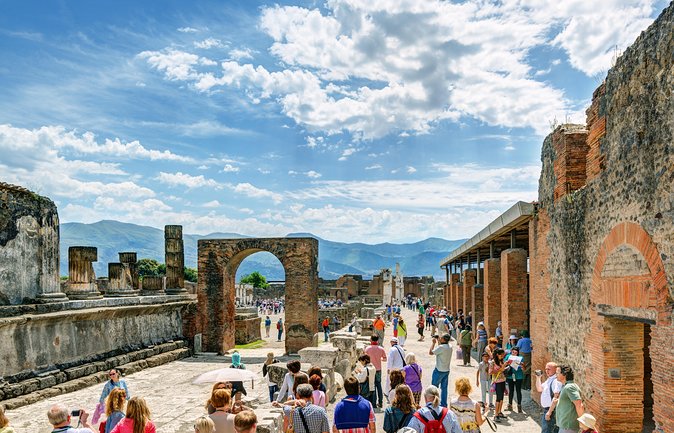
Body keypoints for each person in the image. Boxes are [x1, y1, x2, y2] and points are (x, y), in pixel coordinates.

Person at [553, 365, 584, 433]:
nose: (556, 375)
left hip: (568, 427)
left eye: (557, 373)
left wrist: (583, 423)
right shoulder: (567, 386)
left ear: (564, 374)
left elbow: (579, 405)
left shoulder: (569, 387)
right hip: (566, 426)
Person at [536, 362, 562, 433]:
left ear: (555, 370)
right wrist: (538, 378)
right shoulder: (549, 379)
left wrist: (549, 412)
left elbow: (556, 398)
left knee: (548, 430)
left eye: (549, 369)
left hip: (551, 411)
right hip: (547, 410)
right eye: (546, 369)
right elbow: (539, 389)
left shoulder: (556, 381)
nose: (547, 371)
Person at [428, 333, 452, 407]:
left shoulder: (441, 347)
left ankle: (433, 403)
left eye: (441, 338)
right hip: (446, 370)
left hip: (439, 370)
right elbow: (440, 348)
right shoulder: (450, 346)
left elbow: (431, 352)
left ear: (444, 339)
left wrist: (433, 343)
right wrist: (439, 340)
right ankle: (444, 404)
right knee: (444, 388)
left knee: (433, 387)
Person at [364, 335, 387, 409]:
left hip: (370, 369)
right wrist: (379, 359)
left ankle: (373, 403)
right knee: (378, 385)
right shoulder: (381, 349)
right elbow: (385, 359)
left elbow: (365, 358)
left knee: (372, 385)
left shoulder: (367, 349)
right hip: (378, 369)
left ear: (371, 340)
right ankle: (380, 402)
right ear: (377, 340)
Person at [488, 349, 511, 422]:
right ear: (498, 354)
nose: (503, 356)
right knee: (498, 398)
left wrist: (506, 365)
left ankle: (499, 412)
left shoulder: (502, 361)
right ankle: (496, 415)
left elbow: (503, 370)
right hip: (497, 381)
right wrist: (501, 368)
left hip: (503, 380)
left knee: (501, 398)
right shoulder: (492, 362)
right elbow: (490, 372)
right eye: (502, 355)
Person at [504, 347, 524, 413]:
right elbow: (504, 365)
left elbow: (524, 368)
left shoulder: (520, 358)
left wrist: (522, 365)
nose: (514, 354)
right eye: (513, 352)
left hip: (518, 376)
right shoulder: (508, 356)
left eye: (516, 352)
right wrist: (507, 363)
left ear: (518, 353)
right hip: (510, 376)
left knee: (518, 391)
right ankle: (510, 405)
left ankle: (519, 405)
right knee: (511, 390)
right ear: (511, 352)